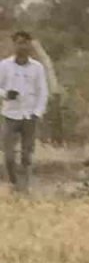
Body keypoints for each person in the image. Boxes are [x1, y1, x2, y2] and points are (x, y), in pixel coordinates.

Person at [0, 31, 47, 195]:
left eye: (25, 43)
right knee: (8, 156)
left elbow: (42, 91)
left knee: (27, 155)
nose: (22, 46)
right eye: (19, 43)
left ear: (30, 45)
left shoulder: (37, 67)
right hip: (10, 114)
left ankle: (24, 188)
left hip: (29, 115)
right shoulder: (4, 65)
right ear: (14, 45)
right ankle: (13, 182)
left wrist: (38, 112)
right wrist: (6, 94)